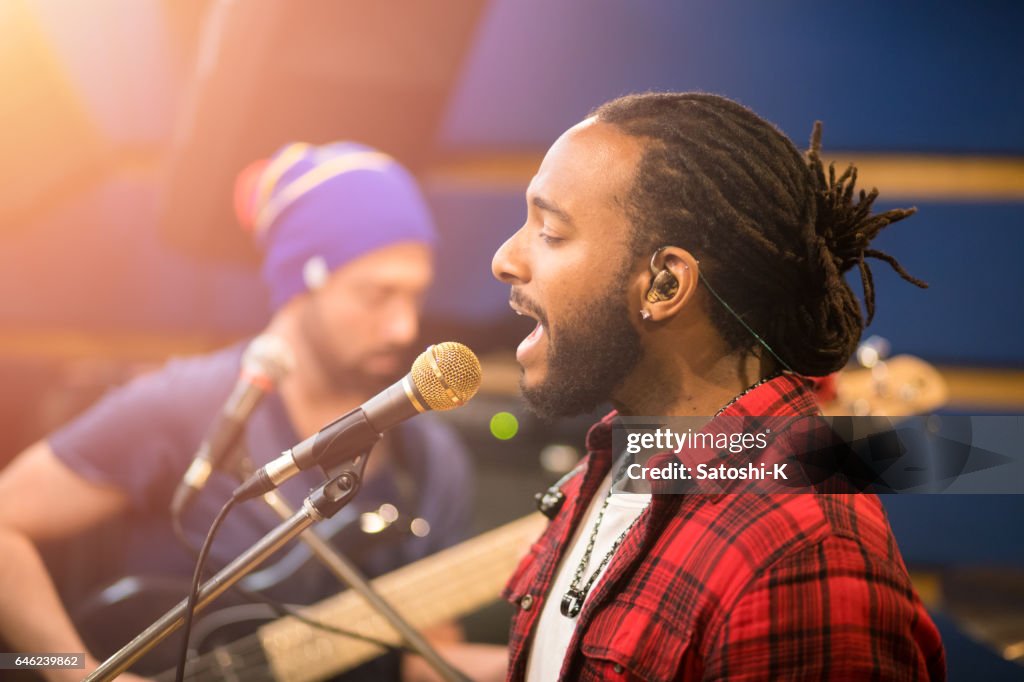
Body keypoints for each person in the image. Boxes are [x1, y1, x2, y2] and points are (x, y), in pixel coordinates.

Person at [487, 93, 946, 680]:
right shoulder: (608, 469)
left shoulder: (802, 554)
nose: (505, 259)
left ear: (664, 285)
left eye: (551, 231)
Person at [0, 142, 473, 681]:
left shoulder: (432, 455)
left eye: (415, 296)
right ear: (303, 280)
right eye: (376, 294)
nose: (403, 328)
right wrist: (73, 671)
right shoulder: (185, 404)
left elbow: (428, 657)